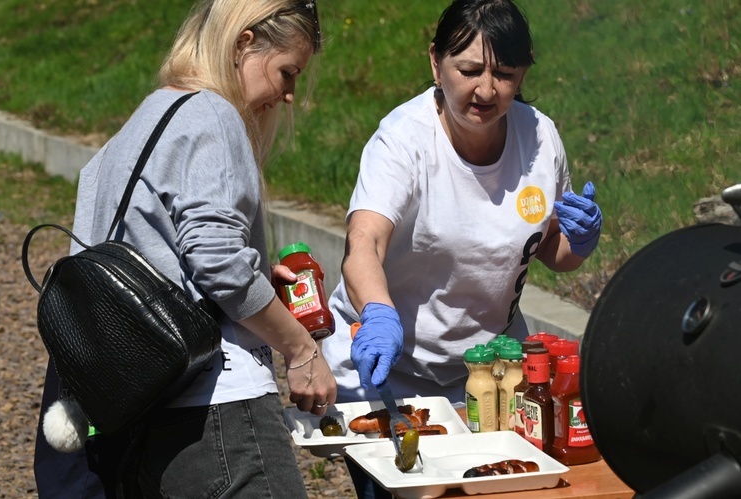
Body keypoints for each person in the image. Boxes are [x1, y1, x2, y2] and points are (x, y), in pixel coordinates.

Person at [33, 1, 336, 497]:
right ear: (244, 43)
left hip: (150, 413)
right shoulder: (213, 113)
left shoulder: (148, 114)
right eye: (288, 72)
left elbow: (135, 251)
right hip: (220, 408)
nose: (288, 94)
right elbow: (216, 264)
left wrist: (257, 281)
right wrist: (302, 351)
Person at [321, 0, 602, 496]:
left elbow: (552, 251)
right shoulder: (403, 141)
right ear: (435, 62)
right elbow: (364, 241)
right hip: (388, 370)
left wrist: (579, 240)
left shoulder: (539, 136)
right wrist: (380, 315)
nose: (487, 90)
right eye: (469, 70)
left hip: (486, 372)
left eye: (506, 74)